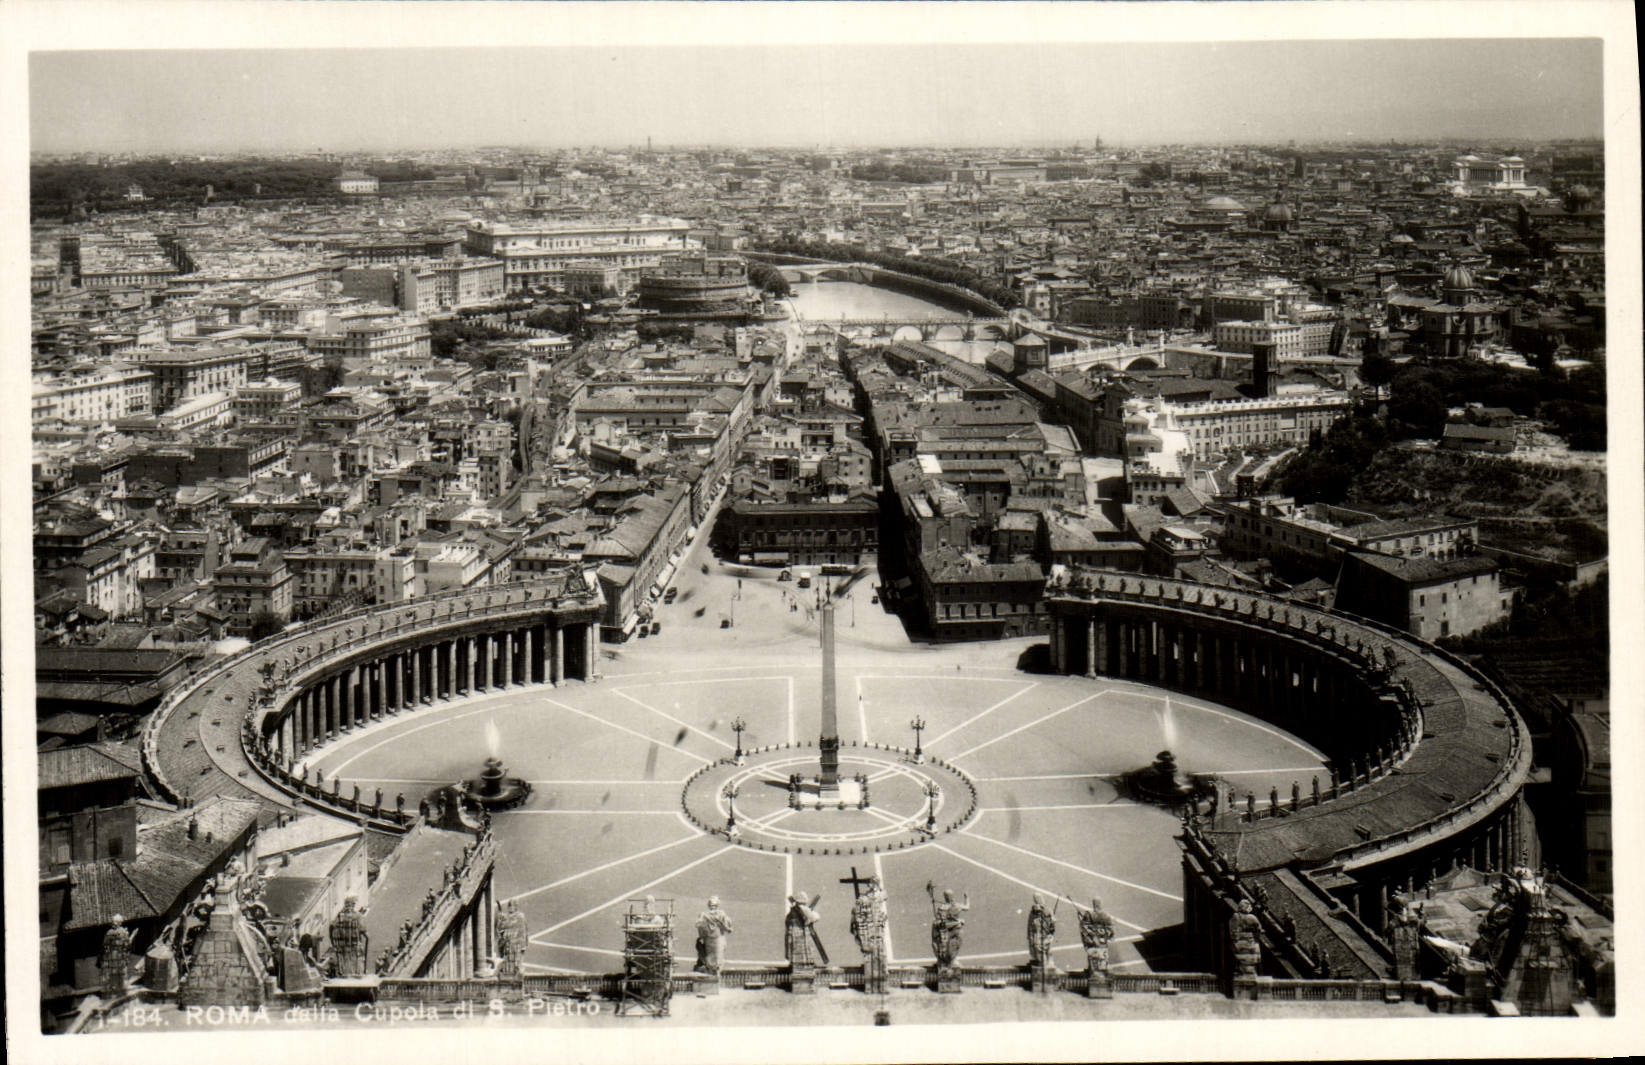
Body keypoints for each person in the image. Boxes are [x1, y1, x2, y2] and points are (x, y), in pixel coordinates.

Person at [694, 896, 734, 975]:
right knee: (715, 959)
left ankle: (713, 974)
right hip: (715, 939)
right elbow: (728, 928)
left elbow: (698, 925)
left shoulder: (704, 915)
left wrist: (702, 935)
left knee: (713, 959)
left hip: (711, 939)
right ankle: (714, 975)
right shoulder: (720, 914)